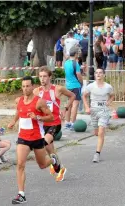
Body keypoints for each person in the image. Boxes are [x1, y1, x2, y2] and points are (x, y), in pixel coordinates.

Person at [8, 76, 61, 204]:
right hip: (23, 138)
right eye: (23, 86)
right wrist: (13, 122)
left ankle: (53, 160)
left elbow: (51, 117)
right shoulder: (19, 100)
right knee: (20, 164)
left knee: (42, 165)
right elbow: (19, 112)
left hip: (37, 138)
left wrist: (38, 117)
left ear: (33, 87)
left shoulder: (39, 102)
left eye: (28, 86)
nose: (25, 88)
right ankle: (21, 194)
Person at [33, 66, 76, 181]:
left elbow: (72, 96)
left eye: (45, 76)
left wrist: (65, 108)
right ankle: (60, 168)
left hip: (54, 123)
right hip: (42, 124)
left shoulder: (58, 89)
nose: (42, 79)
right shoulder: (36, 91)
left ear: (50, 77)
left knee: (42, 143)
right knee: (50, 150)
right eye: (40, 76)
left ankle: (55, 165)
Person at [82, 68, 114, 163]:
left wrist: (109, 101)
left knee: (101, 132)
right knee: (96, 132)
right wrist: (87, 107)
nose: (98, 74)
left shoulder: (108, 87)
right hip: (94, 111)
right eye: (96, 73)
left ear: (104, 75)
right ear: (95, 75)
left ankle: (97, 154)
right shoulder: (91, 86)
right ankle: (99, 133)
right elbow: (84, 96)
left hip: (104, 111)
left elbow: (112, 95)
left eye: (100, 73)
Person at [64, 47, 83, 130]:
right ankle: (73, 123)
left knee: (69, 104)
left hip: (68, 86)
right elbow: (78, 75)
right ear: (75, 54)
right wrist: (81, 82)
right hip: (75, 85)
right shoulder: (75, 63)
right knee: (75, 105)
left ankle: (67, 122)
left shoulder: (66, 63)